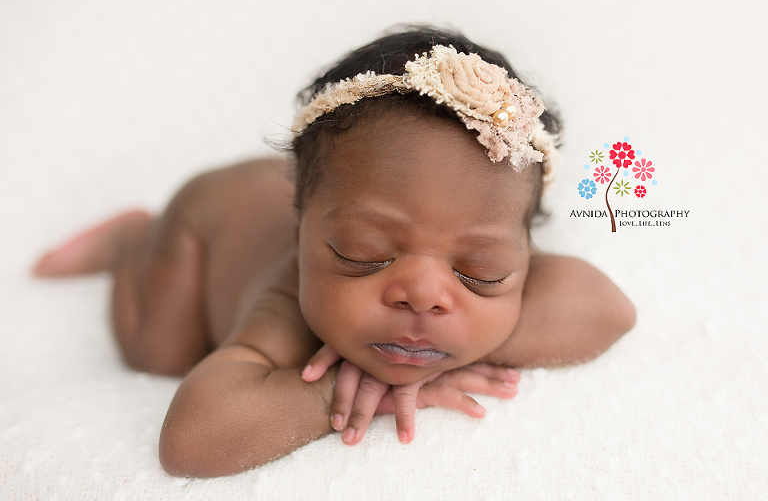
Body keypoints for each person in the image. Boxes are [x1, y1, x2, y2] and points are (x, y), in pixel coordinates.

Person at [33, 26, 636, 478]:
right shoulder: (284, 302)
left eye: (480, 271)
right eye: (362, 253)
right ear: (300, 229)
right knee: (158, 352)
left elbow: (609, 310)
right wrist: (335, 390)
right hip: (206, 219)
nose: (424, 295)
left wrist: (452, 343)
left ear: (525, 251)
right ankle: (133, 239)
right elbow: (190, 443)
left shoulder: (472, 253)